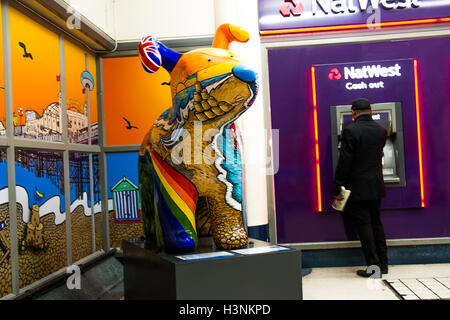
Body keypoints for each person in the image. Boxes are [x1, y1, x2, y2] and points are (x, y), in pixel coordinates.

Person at [333, 98, 388, 278]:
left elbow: (345, 162)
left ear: (353, 112)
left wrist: (338, 184)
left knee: (364, 226)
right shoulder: (381, 130)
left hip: (357, 188)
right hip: (376, 186)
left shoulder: (350, 130)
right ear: (371, 111)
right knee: (376, 224)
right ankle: (383, 264)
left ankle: (374, 268)